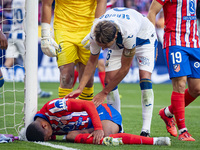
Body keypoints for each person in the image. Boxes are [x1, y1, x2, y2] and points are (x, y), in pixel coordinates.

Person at [66, 7, 158, 137]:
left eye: (105, 46)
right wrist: (80, 88)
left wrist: (104, 92)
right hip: (118, 43)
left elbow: (125, 69)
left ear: (115, 36)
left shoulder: (128, 32)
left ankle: (145, 130)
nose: (102, 48)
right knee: (109, 81)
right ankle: (118, 127)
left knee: (145, 79)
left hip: (144, 39)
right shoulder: (95, 32)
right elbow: (92, 62)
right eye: (100, 45)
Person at [147, 0, 200, 141]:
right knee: (180, 84)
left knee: (197, 89)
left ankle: (167, 112)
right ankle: (183, 131)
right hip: (175, 41)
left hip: (194, 42)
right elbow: (152, 12)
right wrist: (152, 41)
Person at [26, 97, 171, 146]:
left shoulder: (53, 107)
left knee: (105, 134)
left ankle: (154, 141)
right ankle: (110, 135)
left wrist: (97, 127)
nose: (50, 138)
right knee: (70, 136)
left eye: (47, 137)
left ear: (44, 125)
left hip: (102, 112)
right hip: (87, 128)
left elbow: (88, 104)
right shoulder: (44, 126)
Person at [40, 0, 107, 99]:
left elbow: (102, 1)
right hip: (63, 29)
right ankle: (64, 112)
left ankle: (84, 112)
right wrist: (45, 33)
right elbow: (46, 3)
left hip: (88, 29)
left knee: (88, 80)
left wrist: (95, 28)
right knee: (66, 76)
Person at [4, 0, 52, 98]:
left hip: (13, 33)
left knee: (8, 63)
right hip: (22, 35)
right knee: (31, 64)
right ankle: (37, 91)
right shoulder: (27, 2)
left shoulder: (15, 2)